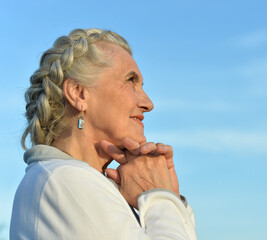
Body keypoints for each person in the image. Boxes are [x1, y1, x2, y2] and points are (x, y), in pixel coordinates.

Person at [10, 28, 197, 240]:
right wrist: (159, 196)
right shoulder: (65, 179)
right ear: (79, 94)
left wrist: (171, 197)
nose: (148, 103)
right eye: (130, 80)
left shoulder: (70, 179)